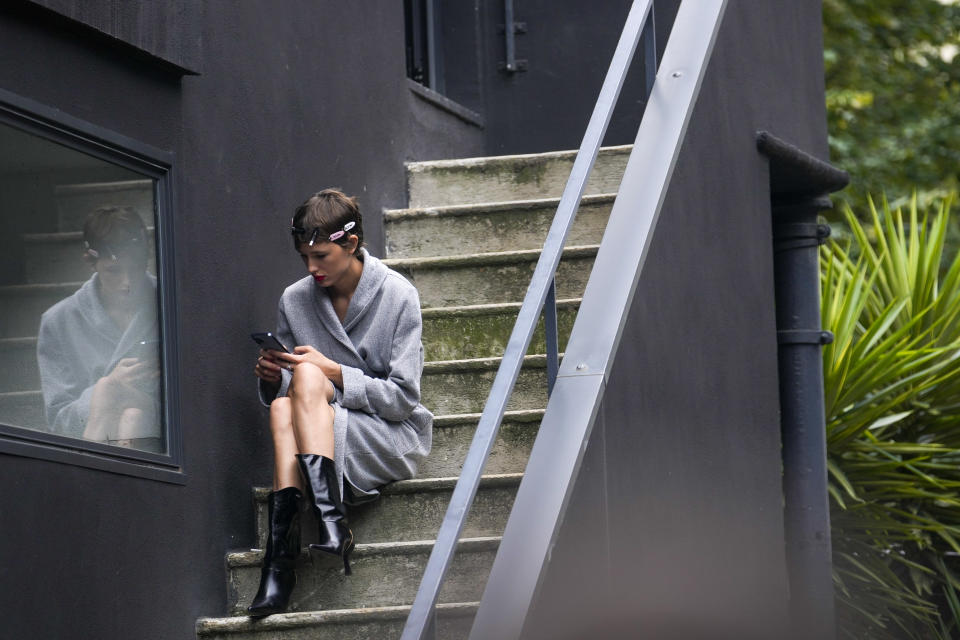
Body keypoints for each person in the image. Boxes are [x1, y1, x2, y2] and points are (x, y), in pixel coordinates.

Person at [249, 188, 432, 616]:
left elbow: (403, 400)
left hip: (387, 434)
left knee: (312, 374)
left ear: (350, 244)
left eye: (321, 257)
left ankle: (295, 551)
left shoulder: (398, 296)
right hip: (317, 425)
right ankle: (305, 544)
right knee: (279, 405)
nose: (311, 268)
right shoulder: (294, 300)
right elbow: (290, 400)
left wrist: (334, 373)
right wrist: (275, 378)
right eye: (304, 258)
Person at [36, 205, 161, 452]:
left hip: (164, 435)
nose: (126, 282)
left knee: (129, 408)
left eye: (136, 269)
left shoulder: (169, 301)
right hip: (102, 429)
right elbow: (59, 421)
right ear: (91, 262)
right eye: (114, 271)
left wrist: (114, 390)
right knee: (130, 414)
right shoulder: (59, 321)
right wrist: (109, 389)